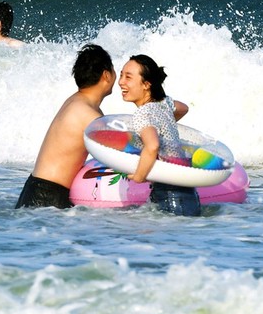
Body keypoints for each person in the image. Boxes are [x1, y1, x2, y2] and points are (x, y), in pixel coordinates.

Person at [16, 43, 116, 209]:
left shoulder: (76, 101)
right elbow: (120, 150)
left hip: (36, 188)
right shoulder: (88, 114)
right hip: (48, 196)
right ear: (106, 75)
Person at [118, 54, 199, 216]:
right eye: (121, 75)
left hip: (169, 195)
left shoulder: (143, 114)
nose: (121, 82)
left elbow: (152, 145)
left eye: (128, 77)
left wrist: (139, 176)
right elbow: (183, 108)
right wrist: (164, 125)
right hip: (188, 191)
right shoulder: (164, 104)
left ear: (147, 84)